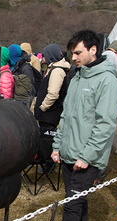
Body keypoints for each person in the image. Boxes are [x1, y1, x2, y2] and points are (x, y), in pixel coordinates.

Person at [34, 30, 117, 221]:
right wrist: (57, 145)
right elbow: (66, 115)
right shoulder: (77, 77)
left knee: (71, 204)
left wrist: (87, 156)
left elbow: (105, 124)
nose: (74, 57)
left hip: (87, 158)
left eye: (78, 52)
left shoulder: (107, 81)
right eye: (72, 53)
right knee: (78, 202)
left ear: (94, 50)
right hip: (69, 153)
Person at [34, 44, 70, 172]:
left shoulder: (57, 71)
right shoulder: (53, 69)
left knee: (47, 139)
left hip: (50, 113)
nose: (42, 57)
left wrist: (42, 108)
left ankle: (48, 164)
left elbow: (53, 93)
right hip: (48, 113)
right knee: (45, 138)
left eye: (44, 55)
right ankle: (46, 162)